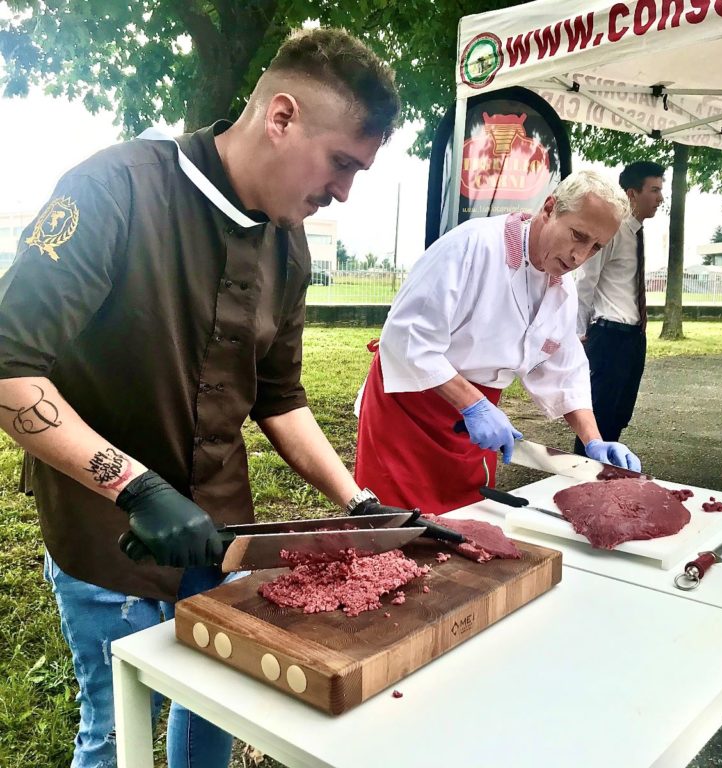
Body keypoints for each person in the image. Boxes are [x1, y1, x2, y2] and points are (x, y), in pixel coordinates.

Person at [0, 28, 404, 768]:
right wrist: (137, 487)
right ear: (281, 117)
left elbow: (280, 399)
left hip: (221, 532)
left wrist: (357, 500)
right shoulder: (113, 189)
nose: (343, 190)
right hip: (107, 534)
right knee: (119, 726)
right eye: (341, 163)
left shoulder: (290, 245)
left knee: (217, 704)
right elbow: (8, 367)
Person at [355, 170, 642, 516]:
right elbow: (405, 338)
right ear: (549, 208)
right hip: (408, 414)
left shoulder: (561, 289)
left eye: (595, 247)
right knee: (394, 532)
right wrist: (473, 404)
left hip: (472, 429)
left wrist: (593, 440)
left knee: (462, 527)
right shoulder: (471, 247)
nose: (580, 256)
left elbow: (566, 373)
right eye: (578, 236)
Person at [573, 161, 665, 455]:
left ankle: (602, 480)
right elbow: (586, 279)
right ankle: (580, 479)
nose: (660, 198)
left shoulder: (636, 231)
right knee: (597, 419)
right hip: (609, 335)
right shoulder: (613, 231)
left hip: (633, 337)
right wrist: (578, 331)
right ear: (632, 194)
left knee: (619, 416)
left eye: (661, 191)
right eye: (654, 190)